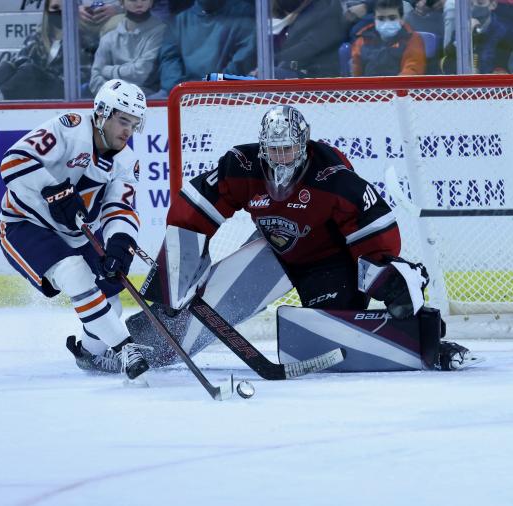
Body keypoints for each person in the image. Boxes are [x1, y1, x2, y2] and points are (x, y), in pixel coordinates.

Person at [160, 105, 470, 370]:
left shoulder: (333, 177)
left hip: (330, 263)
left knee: (325, 340)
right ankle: (156, 343)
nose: (281, 159)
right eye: (274, 150)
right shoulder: (241, 166)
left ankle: (424, 342)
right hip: (272, 254)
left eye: (288, 149)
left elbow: (373, 232)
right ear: (263, 146)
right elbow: (192, 214)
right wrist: (180, 272)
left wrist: (386, 275)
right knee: (210, 304)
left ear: (303, 143)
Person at [0, 79, 149, 380]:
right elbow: (13, 161)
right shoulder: (69, 129)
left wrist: (120, 243)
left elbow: (121, 209)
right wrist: (53, 190)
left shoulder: (127, 162)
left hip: (74, 234)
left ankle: (90, 355)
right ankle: (125, 348)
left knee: (112, 303)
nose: (127, 131)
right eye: (122, 120)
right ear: (103, 112)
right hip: (24, 223)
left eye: (134, 124)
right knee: (74, 271)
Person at [0, 0, 92, 102]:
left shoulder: (83, 40)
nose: (60, 12)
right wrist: (15, 66)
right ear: (47, 12)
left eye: (64, 8)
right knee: (10, 66)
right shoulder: (38, 37)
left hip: (64, 92)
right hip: (36, 88)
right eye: (55, 8)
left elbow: (81, 77)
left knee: (29, 70)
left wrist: (41, 73)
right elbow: (20, 59)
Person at [156, 0, 256, 94]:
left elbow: (243, 59)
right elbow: (169, 61)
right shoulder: (178, 22)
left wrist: (214, 88)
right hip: (184, 93)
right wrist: (181, 90)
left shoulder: (244, 15)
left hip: (228, 93)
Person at [89, 0, 167, 97]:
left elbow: (141, 74)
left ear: (151, 2)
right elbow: (95, 80)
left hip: (149, 102)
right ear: (121, 2)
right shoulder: (109, 37)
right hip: (113, 101)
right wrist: (117, 97)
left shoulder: (161, 31)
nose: (139, 4)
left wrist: (107, 70)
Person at [270, 0, 347, 78]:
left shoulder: (327, 7)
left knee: (269, 75)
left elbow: (311, 45)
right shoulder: (304, 7)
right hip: (296, 68)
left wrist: (277, 58)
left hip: (317, 75)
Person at [441, 0, 513, 74]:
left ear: (493, 5)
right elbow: (448, 61)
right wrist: (465, 37)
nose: (474, 6)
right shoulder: (462, 29)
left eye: (480, 2)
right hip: (462, 84)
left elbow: (504, 67)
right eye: (470, 4)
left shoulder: (504, 33)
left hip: (489, 85)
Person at [351, 0, 426, 76]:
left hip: (401, 86)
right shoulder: (362, 40)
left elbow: (412, 70)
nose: (386, 23)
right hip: (368, 86)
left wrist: (391, 87)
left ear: (402, 19)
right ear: (374, 20)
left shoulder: (413, 39)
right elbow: (356, 72)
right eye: (381, 19)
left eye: (392, 18)